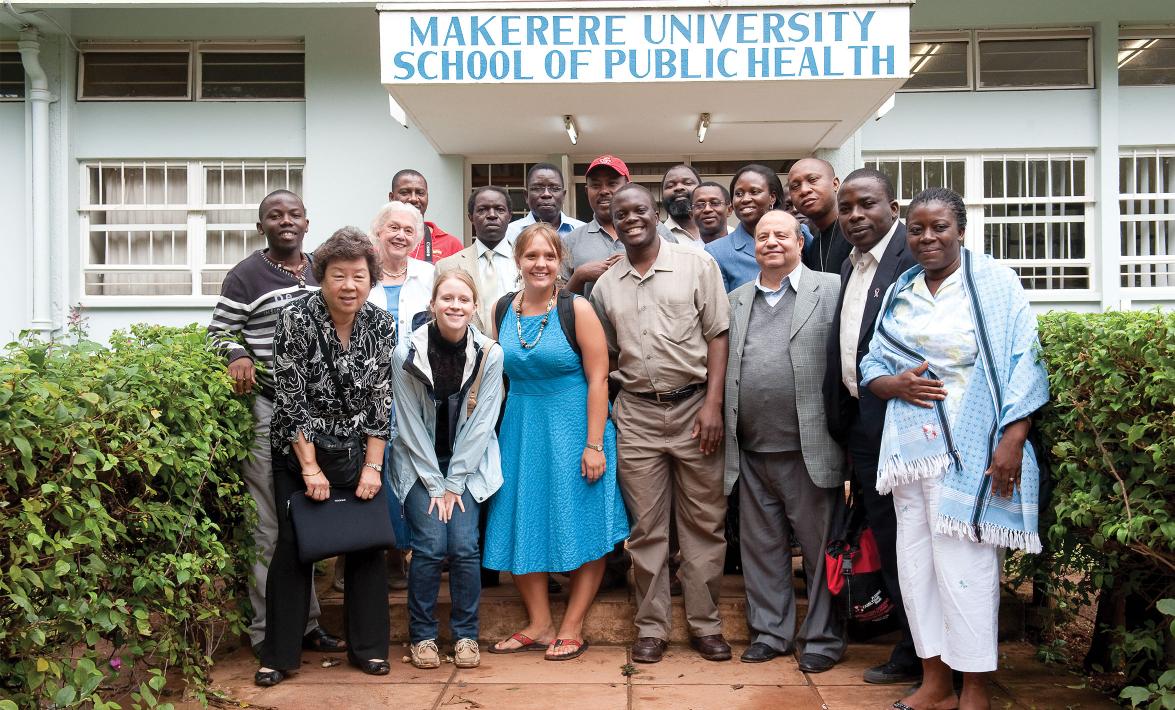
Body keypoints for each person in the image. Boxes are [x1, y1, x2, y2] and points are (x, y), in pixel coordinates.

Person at [859, 188, 1049, 710]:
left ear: (960, 230)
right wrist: (893, 385)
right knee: (916, 567)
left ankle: (977, 690)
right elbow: (873, 362)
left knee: (966, 570)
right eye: (917, 229)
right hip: (909, 451)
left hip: (972, 449)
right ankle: (936, 681)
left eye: (939, 227)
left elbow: (1024, 361)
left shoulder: (994, 283)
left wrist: (1014, 437)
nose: (927, 238)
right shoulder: (903, 288)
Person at [590, 184, 732, 664]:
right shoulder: (606, 285)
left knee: (704, 525)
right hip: (637, 416)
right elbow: (606, 354)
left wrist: (712, 405)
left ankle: (705, 625)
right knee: (647, 530)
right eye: (621, 212)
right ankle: (652, 628)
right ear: (613, 219)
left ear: (657, 214)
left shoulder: (696, 263)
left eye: (640, 210)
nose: (631, 218)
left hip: (696, 410)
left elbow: (718, 334)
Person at [207, 189, 344, 661]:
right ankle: (269, 631)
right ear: (261, 224)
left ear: (308, 222)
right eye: (274, 215)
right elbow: (218, 331)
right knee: (269, 527)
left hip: (322, 417)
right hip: (269, 412)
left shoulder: (321, 269)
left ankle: (306, 625)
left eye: (294, 214)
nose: (285, 221)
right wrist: (238, 353)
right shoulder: (246, 275)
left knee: (308, 521)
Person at [256, 227, 395, 686]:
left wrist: (373, 466)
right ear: (322, 278)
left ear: (372, 279)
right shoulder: (295, 319)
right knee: (294, 548)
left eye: (359, 276)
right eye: (339, 275)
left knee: (367, 545)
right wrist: (310, 466)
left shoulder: (381, 324)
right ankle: (279, 655)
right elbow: (291, 398)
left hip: (357, 451)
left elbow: (381, 399)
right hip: (298, 452)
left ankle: (370, 651)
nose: (349, 285)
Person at [483, 223, 629, 661]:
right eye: (532, 257)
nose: (540, 264)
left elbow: (599, 378)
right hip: (521, 426)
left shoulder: (577, 309)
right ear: (519, 261)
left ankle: (572, 625)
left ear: (560, 261)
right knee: (518, 516)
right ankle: (540, 623)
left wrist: (594, 445)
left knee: (583, 518)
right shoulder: (502, 309)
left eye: (548, 256)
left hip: (576, 424)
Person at [723, 210, 846, 671]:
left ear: (800, 241)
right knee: (762, 549)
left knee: (819, 552)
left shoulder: (830, 290)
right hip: (751, 449)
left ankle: (822, 639)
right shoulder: (737, 300)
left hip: (809, 449)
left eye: (781, 235)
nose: (771, 242)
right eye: (762, 236)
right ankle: (771, 632)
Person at [823, 168, 921, 685]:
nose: (855, 215)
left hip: (905, 424)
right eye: (847, 208)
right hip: (864, 424)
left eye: (867, 205)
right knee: (887, 534)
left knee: (912, 537)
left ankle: (924, 652)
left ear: (893, 208)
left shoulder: (913, 258)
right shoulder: (849, 262)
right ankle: (912, 646)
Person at [389, 270, 505, 672]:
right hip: (420, 463)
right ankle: (422, 636)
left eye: (463, 300)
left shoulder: (490, 353)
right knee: (430, 545)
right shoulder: (406, 352)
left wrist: (455, 482)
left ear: (474, 307)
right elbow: (407, 424)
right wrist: (435, 485)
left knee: (463, 545)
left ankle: (466, 634)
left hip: (467, 467)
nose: (455, 306)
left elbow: (483, 423)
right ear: (433, 304)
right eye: (447, 299)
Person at [366, 199, 436, 592]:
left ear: (418, 238)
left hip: (415, 387)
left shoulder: (428, 274)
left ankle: (406, 551)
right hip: (368, 388)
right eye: (393, 228)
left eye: (409, 230)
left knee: (410, 462)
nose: (400, 235)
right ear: (378, 231)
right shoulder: (363, 273)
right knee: (374, 464)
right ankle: (376, 550)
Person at [563, 154, 677, 297]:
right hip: (591, 319)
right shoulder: (571, 241)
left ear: (628, 186)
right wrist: (579, 276)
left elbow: (679, 275)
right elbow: (556, 302)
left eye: (612, 183)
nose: (604, 191)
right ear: (587, 191)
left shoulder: (656, 229)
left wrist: (636, 261)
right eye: (596, 185)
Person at [437, 186, 518, 332]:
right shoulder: (446, 266)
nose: (492, 215)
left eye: (499, 209)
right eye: (482, 210)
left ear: (509, 216)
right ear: (470, 217)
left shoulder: (527, 264)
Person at [705, 164, 787, 293]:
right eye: (738, 194)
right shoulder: (717, 251)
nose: (745, 199)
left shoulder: (799, 233)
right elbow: (721, 308)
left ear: (772, 197)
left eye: (754, 192)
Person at [788, 158, 852, 274]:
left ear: (835, 184)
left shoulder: (854, 232)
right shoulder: (813, 246)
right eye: (795, 186)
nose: (804, 190)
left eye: (812, 180)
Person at [389, 169, 464, 263]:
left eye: (420, 193)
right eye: (405, 192)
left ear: (427, 197)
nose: (413, 199)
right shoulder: (378, 243)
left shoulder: (451, 244)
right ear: (391, 198)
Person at [503, 162, 585, 243]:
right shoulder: (509, 234)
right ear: (526, 196)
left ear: (563, 196)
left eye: (555, 188)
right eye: (537, 188)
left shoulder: (582, 231)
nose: (546, 194)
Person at [661, 164, 703, 247]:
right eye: (670, 186)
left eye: (688, 183)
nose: (679, 188)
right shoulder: (657, 238)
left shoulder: (727, 233)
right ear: (662, 196)